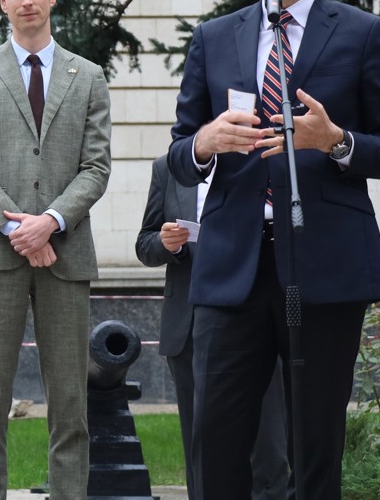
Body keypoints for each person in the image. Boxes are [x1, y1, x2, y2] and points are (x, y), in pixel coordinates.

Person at [167, 0, 380, 500]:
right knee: (217, 442)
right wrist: (206, 143)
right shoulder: (215, 38)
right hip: (232, 268)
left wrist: (335, 140)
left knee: (314, 447)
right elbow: (178, 155)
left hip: (324, 262)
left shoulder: (363, 34)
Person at [0, 0, 112, 500]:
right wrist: (17, 229)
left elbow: (96, 167)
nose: (25, 0)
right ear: (2, 2)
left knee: (70, 406)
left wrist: (50, 223)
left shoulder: (87, 76)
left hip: (65, 255)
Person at [134, 155, 288, 500]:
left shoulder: (264, 158)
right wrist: (165, 243)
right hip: (188, 323)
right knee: (202, 445)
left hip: (254, 316)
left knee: (267, 442)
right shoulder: (168, 167)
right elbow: (145, 243)